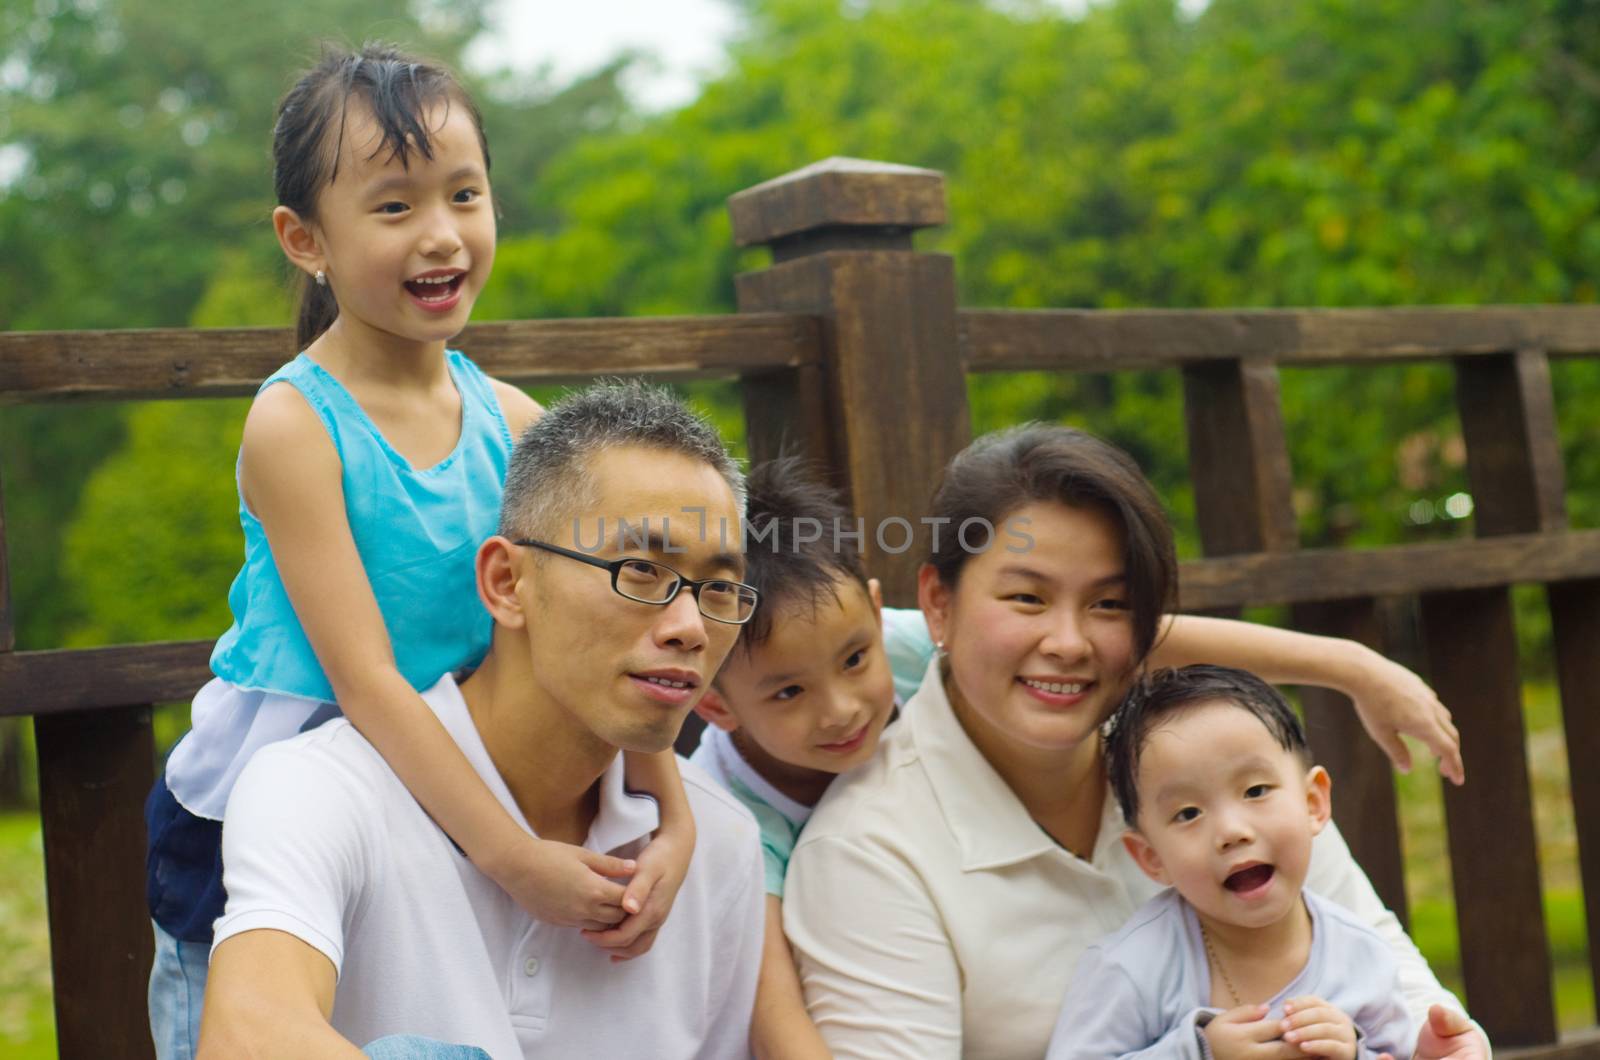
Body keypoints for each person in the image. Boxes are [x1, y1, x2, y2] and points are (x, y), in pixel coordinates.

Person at [145, 45, 695, 1057]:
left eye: (464, 194)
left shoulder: (516, 422)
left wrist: (674, 817)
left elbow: (602, 631)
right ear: (304, 238)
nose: (441, 235)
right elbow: (366, 682)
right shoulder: (295, 424)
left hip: (447, 783)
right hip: (285, 800)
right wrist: (515, 858)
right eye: (393, 208)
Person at [698, 454, 1470, 1060]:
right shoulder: (847, 844)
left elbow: (1400, 989)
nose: (1068, 643)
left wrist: (1442, 1044)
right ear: (938, 602)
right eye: (1027, 599)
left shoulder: (1223, 769)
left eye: (1108, 603)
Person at [196, 381, 765, 1058]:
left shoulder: (716, 844)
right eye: (641, 571)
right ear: (506, 583)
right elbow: (248, 1034)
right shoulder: (325, 791)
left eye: (720, 589)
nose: (691, 627)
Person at [1046, 665, 1417, 1060]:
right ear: (1151, 858)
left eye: (1256, 790)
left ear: (1313, 803)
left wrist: (1355, 1051)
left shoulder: (1362, 955)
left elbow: (1400, 1049)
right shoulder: (1130, 969)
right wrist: (1197, 1052)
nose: (1232, 831)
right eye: (1188, 813)